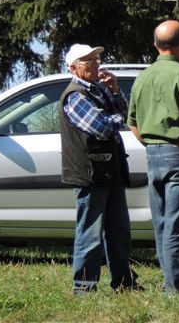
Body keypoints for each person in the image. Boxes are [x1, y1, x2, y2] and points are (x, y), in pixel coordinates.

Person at [127, 20, 179, 294]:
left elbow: (133, 124)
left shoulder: (142, 78)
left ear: (155, 45)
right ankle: (178, 288)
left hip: (153, 154)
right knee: (178, 225)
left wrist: (152, 144)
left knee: (162, 223)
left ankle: (169, 281)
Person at [59, 43, 140, 295]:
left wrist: (115, 91)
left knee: (119, 232)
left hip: (109, 171)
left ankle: (124, 283)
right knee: (90, 233)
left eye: (96, 59)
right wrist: (116, 117)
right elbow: (102, 127)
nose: (96, 64)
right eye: (88, 61)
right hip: (90, 174)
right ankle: (84, 287)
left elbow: (123, 114)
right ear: (73, 68)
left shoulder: (99, 90)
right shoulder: (75, 95)